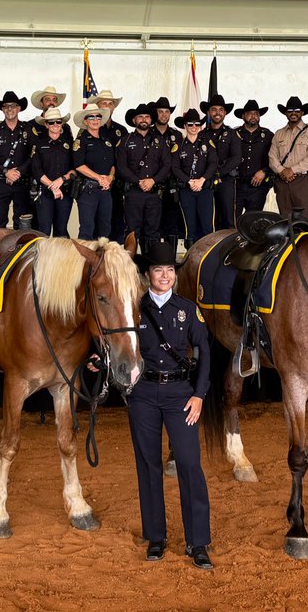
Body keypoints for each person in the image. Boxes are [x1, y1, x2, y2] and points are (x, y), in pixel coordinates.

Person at [128, 239, 213, 570]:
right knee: (148, 465)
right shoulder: (133, 308)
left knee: (190, 465)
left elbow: (205, 352)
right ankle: (156, 537)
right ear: (148, 274)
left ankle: (198, 542)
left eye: (169, 271)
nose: (165, 276)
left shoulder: (188, 309)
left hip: (181, 395)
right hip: (143, 396)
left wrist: (199, 395)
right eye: (158, 270)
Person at [116, 103, 170, 245]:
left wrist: (153, 180)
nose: (144, 119)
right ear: (134, 120)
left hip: (154, 192)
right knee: (132, 232)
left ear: (151, 120)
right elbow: (121, 167)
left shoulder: (161, 141)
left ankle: (150, 266)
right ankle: (130, 266)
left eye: (147, 117)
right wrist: (138, 181)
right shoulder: (125, 140)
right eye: (140, 117)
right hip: (133, 193)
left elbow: (167, 165)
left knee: (153, 231)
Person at [0, 90, 32, 229]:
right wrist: (5, 172)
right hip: (0, 183)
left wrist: (18, 172)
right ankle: (0, 251)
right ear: (2, 109)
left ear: (19, 108)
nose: (10, 109)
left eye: (13, 106)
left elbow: (33, 155)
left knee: (22, 222)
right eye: (6, 106)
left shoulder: (28, 129)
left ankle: (19, 250)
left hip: (21, 182)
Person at [268, 96, 308, 223]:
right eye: (290, 110)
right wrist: (282, 171)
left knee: (306, 218)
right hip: (282, 181)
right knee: (285, 219)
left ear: (302, 112)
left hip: (303, 181)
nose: (293, 113)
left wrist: (292, 170)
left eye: (297, 110)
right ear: (285, 113)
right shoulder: (279, 133)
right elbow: (272, 156)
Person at [172, 109, 217, 248]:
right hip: (186, 190)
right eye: (190, 124)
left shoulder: (207, 143)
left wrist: (202, 180)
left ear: (200, 126)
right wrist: (189, 181)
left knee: (207, 226)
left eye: (197, 124)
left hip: (204, 189)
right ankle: (190, 258)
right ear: (184, 126)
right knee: (189, 228)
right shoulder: (178, 146)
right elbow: (175, 168)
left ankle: (208, 259)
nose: (193, 127)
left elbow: (213, 163)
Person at [28, 107, 75, 236]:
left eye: (58, 122)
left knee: (61, 231)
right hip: (44, 193)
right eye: (51, 122)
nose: (55, 125)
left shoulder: (69, 143)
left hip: (64, 192)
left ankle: (59, 257)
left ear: (62, 124)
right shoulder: (38, 144)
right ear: (46, 124)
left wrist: (62, 179)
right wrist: (52, 187)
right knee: (44, 231)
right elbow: (36, 170)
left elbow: (75, 169)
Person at [199, 94, 242, 231]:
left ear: (225, 113)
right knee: (208, 219)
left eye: (221, 110)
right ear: (208, 112)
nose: (217, 113)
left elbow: (236, 158)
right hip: (205, 182)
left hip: (226, 181)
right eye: (214, 109)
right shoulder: (201, 135)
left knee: (228, 219)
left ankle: (230, 250)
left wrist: (217, 173)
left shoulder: (232, 134)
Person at [73, 107, 116, 240]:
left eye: (98, 117)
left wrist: (110, 177)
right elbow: (79, 165)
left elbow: (113, 164)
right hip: (88, 191)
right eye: (91, 117)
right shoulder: (81, 141)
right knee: (87, 229)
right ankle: (84, 260)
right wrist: (99, 178)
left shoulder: (107, 141)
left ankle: (102, 259)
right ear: (85, 122)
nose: (95, 120)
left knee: (105, 228)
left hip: (105, 190)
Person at [93, 90, 129, 240]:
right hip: (96, 184)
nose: (107, 106)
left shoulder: (122, 130)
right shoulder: (90, 129)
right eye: (104, 103)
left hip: (117, 184)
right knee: (95, 224)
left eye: (110, 103)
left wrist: (112, 177)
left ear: (114, 107)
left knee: (117, 222)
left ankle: (115, 258)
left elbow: (126, 159)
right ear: (98, 106)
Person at [232, 100, 273, 220]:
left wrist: (265, 171)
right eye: (250, 113)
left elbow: (276, 158)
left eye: (256, 113)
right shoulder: (234, 134)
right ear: (243, 116)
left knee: (253, 222)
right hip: (237, 185)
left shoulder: (268, 135)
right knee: (233, 220)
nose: (253, 116)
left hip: (258, 187)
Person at [152, 96, 184, 243]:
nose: (164, 115)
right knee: (153, 225)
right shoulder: (149, 134)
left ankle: (170, 262)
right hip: (153, 186)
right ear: (155, 113)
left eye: (167, 111)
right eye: (160, 111)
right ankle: (154, 264)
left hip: (172, 187)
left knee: (172, 225)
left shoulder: (176, 135)